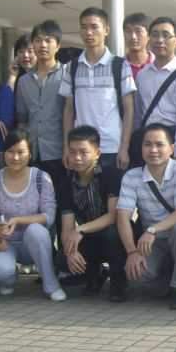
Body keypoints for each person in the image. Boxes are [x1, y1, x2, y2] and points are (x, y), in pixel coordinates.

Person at [117, 124, 176, 309]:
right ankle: (167, 280)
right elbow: (122, 217)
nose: (153, 150)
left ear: (171, 149)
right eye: (147, 144)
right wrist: (132, 252)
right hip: (153, 242)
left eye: (159, 144)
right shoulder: (131, 176)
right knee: (137, 275)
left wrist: (152, 230)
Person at [0, 129, 65, 301]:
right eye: (10, 152)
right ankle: (8, 279)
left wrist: (18, 220)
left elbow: (49, 216)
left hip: (34, 242)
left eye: (21, 152)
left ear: (30, 154)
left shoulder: (41, 178)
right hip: (6, 243)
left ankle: (50, 284)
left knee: (36, 231)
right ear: (4, 153)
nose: (15, 157)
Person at [60, 6, 136, 171]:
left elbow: (129, 109)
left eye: (94, 27)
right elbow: (68, 110)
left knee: (111, 189)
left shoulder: (120, 65)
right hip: (81, 150)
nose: (89, 32)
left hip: (112, 148)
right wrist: (67, 147)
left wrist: (124, 147)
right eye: (84, 27)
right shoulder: (71, 67)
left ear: (106, 30)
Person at [58, 126, 126, 302]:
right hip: (88, 235)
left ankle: (118, 280)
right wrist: (70, 252)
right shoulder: (66, 183)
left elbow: (112, 216)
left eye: (83, 152)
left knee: (112, 233)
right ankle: (94, 275)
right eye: (72, 152)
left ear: (97, 153)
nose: (77, 157)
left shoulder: (111, 175)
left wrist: (80, 230)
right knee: (62, 258)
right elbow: (67, 226)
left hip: (113, 232)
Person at [16, 19, 67, 206]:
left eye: (48, 40)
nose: (42, 45)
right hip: (33, 153)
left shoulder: (67, 75)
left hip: (59, 152)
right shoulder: (23, 81)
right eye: (38, 40)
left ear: (58, 45)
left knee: (60, 203)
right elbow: (22, 119)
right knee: (35, 204)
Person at [134, 17, 176, 163]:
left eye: (166, 35)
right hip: (147, 140)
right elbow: (138, 114)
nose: (160, 40)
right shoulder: (142, 74)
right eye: (155, 35)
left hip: (171, 141)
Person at [123, 12, 154, 80]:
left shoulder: (158, 65)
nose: (133, 37)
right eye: (128, 31)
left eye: (138, 31)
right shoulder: (117, 67)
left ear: (149, 35)